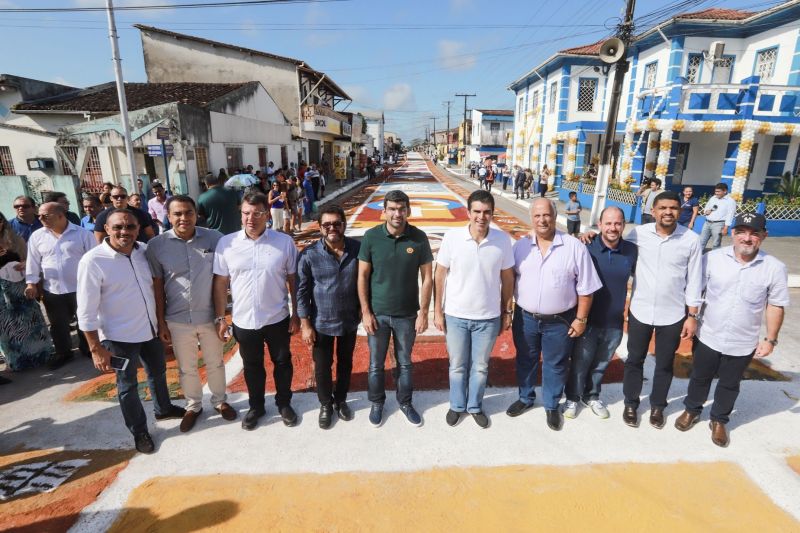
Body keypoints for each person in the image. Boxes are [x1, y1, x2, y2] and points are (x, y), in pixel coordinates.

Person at [77, 209, 186, 454]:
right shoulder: (93, 261)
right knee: (127, 386)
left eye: (129, 227)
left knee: (157, 372)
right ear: (106, 229)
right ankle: (139, 431)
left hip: (151, 331)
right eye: (117, 227)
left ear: (138, 228)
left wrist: (161, 323)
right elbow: (85, 310)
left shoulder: (145, 253)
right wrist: (95, 348)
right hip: (119, 338)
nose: (124, 232)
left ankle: (164, 408)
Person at [674, 213, 789, 447]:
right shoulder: (712, 259)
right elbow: (696, 290)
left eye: (754, 233)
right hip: (708, 334)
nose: (747, 238)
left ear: (763, 236)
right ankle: (692, 410)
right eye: (742, 232)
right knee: (700, 376)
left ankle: (719, 420)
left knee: (730, 383)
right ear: (733, 233)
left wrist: (770, 339)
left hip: (743, 341)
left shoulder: (774, 268)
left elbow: (775, 305)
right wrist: (691, 317)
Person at [597, 191, 703, 429]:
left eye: (673, 208)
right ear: (653, 211)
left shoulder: (691, 240)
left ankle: (658, 406)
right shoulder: (638, 234)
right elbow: (611, 240)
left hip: (673, 314)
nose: (668, 212)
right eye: (662, 208)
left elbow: (695, 280)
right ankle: (631, 403)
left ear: (680, 211)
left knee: (665, 363)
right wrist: (589, 236)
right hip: (640, 310)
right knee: (635, 360)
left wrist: (692, 316)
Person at [508, 198, 601, 431]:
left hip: (560, 321)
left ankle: (551, 405)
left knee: (556, 364)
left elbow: (586, 288)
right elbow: (508, 281)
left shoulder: (574, 247)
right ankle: (526, 397)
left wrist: (581, 319)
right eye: (537, 216)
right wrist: (507, 310)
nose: (542, 220)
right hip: (526, 317)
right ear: (531, 218)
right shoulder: (520, 247)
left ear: (554, 215)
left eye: (547, 215)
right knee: (526, 360)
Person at [146, 195, 237, 433]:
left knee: (215, 362)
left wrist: (222, 317)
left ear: (197, 214)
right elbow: (157, 286)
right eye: (177, 214)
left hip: (209, 316)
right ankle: (193, 406)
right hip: (176, 320)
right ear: (168, 216)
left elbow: (223, 279)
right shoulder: (156, 245)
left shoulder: (214, 239)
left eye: (188, 212)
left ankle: (219, 401)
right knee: (186, 367)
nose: (183, 218)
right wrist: (161, 322)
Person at [212, 192, 300, 431]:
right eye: (246, 213)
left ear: (267, 214)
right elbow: (220, 284)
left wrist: (296, 314)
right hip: (244, 320)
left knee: (282, 362)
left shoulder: (283, 243)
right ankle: (257, 406)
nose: (251, 218)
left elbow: (293, 279)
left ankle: (284, 404)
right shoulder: (226, 244)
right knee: (252, 366)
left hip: (277, 318)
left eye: (257, 213)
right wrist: (221, 319)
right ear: (241, 214)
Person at [433, 190, 514, 428]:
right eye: (477, 211)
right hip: (456, 315)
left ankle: (475, 405)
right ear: (468, 213)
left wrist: (506, 311)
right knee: (457, 365)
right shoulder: (452, 237)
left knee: (480, 366)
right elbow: (440, 274)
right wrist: (437, 310)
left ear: (492, 214)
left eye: (486, 212)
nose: (481, 217)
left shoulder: (502, 240)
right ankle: (457, 405)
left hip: (488, 317)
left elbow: (507, 278)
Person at [358, 190, 433, 428]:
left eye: (401, 209)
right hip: (378, 313)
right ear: (384, 211)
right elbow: (362, 276)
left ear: (408, 211)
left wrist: (423, 313)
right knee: (375, 364)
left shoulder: (419, 238)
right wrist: (366, 312)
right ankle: (377, 402)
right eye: (392, 209)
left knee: (405, 363)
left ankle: (406, 402)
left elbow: (428, 278)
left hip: (407, 314)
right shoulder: (371, 237)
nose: (397, 214)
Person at [564, 207, 636, 419]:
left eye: (617, 223)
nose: (613, 228)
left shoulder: (632, 250)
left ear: (623, 225)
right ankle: (572, 398)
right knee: (579, 362)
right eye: (608, 223)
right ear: (599, 224)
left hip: (614, 320)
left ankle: (592, 396)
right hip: (588, 319)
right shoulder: (586, 246)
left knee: (601, 363)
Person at [296, 204, 360, 429]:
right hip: (320, 322)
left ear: (343, 224)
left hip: (350, 320)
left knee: (345, 363)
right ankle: (325, 403)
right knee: (322, 366)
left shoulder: (358, 250)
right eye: (327, 225)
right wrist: (305, 324)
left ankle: (340, 400)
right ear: (320, 228)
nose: (332, 228)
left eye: (336, 223)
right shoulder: (309, 255)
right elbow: (301, 292)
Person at [25, 202, 96, 369]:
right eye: (39, 216)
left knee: (85, 320)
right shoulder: (37, 236)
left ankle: (88, 348)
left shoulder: (82, 234)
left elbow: (94, 259)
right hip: (53, 289)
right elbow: (33, 262)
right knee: (58, 324)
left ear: (60, 216)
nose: (40, 218)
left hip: (81, 288)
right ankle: (63, 353)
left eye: (45, 215)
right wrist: (31, 283)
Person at [0, 210, 52, 375]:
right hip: (1, 292)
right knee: (8, 327)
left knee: (30, 323)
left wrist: (24, 263)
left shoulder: (14, 239)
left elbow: (30, 259)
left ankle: (42, 355)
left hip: (20, 287)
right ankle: (16, 360)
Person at [699, 182, 737, 251]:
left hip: (719, 224)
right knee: (701, 242)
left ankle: (715, 259)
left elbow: (730, 215)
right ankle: (697, 257)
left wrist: (726, 228)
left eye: (718, 191)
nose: (716, 193)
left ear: (725, 191)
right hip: (707, 223)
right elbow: (707, 207)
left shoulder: (731, 201)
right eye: (715, 191)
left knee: (716, 244)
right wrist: (706, 211)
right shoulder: (713, 198)